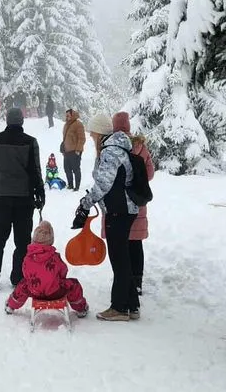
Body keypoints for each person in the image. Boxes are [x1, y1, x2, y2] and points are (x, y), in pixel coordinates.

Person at [72, 112, 138, 321]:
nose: (92, 139)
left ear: (100, 133)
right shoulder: (118, 148)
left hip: (119, 211)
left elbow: (103, 184)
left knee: (119, 260)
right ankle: (132, 305)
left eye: (93, 135)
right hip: (123, 209)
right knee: (123, 258)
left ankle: (119, 308)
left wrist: (85, 205)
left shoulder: (110, 152)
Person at [0, 107, 44, 291]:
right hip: (25, 199)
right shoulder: (31, 142)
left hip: (2, 198)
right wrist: (40, 193)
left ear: (7, 120)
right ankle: (19, 278)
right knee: (22, 241)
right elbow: (35, 171)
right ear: (21, 121)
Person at [4, 221, 89, 317]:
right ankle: (81, 308)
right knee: (74, 284)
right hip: (55, 292)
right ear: (51, 240)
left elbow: (25, 273)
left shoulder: (28, 257)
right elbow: (63, 271)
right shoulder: (54, 257)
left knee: (23, 285)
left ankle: (11, 305)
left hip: (34, 291)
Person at [122, 120, 157, 297]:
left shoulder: (116, 145)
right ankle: (137, 282)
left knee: (123, 244)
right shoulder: (141, 147)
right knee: (136, 244)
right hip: (138, 199)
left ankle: (125, 280)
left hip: (121, 202)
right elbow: (150, 173)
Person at [60, 109, 86, 191]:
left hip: (75, 151)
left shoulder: (78, 124)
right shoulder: (66, 125)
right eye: (66, 115)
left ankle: (77, 186)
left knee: (76, 169)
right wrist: (63, 149)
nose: (66, 117)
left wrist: (78, 149)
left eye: (68, 115)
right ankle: (70, 185)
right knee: (67, 168)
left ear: (72, 115)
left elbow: (82, 138)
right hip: (66, 151)